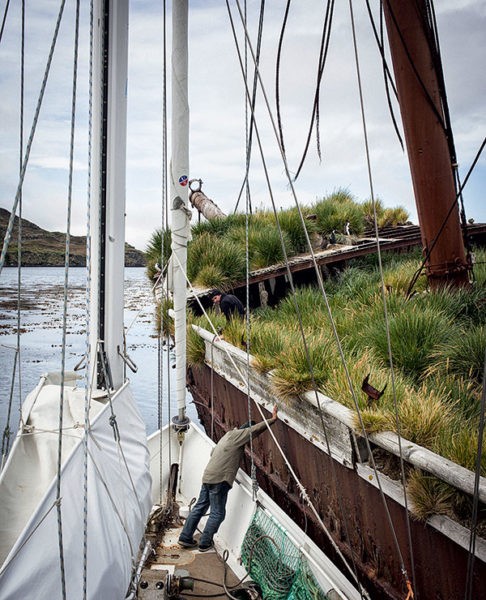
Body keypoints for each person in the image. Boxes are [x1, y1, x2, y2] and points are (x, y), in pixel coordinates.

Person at [178, 404, 278, 552]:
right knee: (218, 513)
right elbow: (255, 430)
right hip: (220, 480)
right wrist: (273, 419)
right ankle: (205, 543)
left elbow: (213, 453)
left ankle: (185, 537)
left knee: (200, 507)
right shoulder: (240, 435)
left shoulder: (228, 436)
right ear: (245, 432)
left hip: (208, 476)